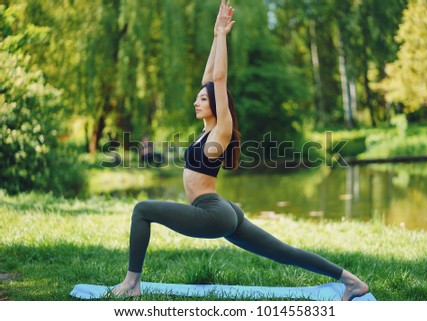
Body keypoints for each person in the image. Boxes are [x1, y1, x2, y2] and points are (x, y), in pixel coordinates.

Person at [112, 0, 368, 301]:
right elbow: (209, 78)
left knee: (143, 210)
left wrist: (222, 36)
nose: (196, 102)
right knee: (281, 252)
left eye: (202, 100)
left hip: (212, 213)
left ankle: (131, 283)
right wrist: (215, 35)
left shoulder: (222, 129)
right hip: (222, 209)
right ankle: (351, 282)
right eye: (197, 99)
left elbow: (218, 80)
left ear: (217, 106)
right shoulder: (207, 131)